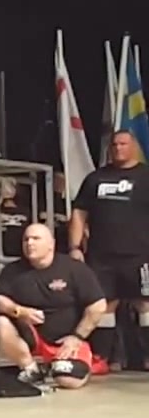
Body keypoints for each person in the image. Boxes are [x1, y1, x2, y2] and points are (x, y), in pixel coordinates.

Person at [69, 130, 149, 371]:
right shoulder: (96, 178)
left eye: (123, 144)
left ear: (133, 146)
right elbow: (79, 213)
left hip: (141, 254)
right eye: (114, 144)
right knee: (103, 305)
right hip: (101, 255)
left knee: (145, 304)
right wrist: (74, 247)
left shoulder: (146, 176)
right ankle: (101, 357)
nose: (118, 148)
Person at [0, 223, 106, 388]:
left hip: (66, 340)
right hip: (32, 336)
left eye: (36, 239)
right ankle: (30, 369)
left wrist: (76, 337)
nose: (29, 243)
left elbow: (98, 306)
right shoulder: (12, 271)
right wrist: (19, 311)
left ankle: (68, 366)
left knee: (68, 381)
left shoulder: (74, 269)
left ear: (51, 244)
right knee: (1, 322)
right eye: (26, 239)